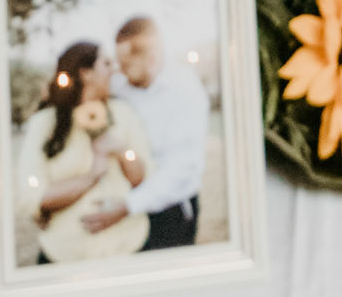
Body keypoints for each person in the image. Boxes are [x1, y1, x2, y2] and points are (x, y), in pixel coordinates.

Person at [16, 43, 153, 264]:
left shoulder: (124, 113)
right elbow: (32, 197)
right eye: (106, 63)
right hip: (67, 254)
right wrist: (91, 177)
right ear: (85, 73)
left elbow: (142, 179)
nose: (114, 69)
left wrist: (120, 149)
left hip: (128, 247)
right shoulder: (45, 123)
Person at [84, 15, 209, 250]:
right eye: (118, 62)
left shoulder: (184, 89)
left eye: (127, 63)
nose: (120, 71)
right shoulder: (120, 86)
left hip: (170, 211)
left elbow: (183, 168)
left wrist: (127, 206)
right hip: (125, 204)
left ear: (151, 56)